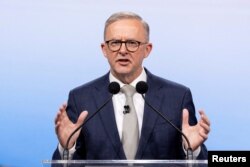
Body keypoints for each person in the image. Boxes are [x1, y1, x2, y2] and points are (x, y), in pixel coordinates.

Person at [53, 11, 210, 160]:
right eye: (114, 43)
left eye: (132, 43)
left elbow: (199, 162)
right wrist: (66, 147)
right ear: (104, 49)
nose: (122, 50)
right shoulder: (81, 98)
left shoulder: (177, 97)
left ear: (147, 50)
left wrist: (192, 149)